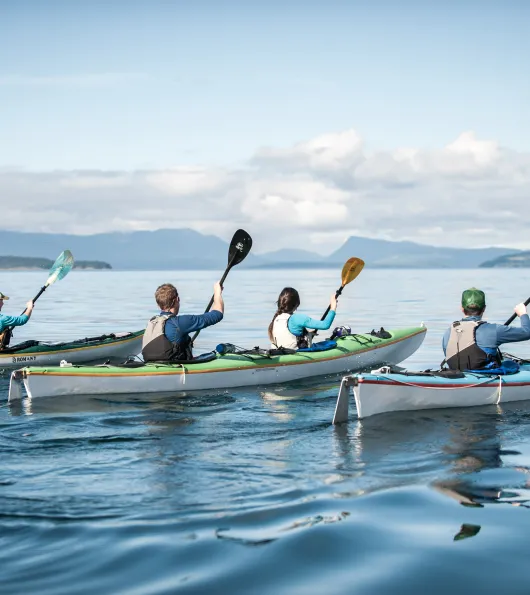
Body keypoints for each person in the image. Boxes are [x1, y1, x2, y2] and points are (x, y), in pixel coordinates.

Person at [442, 287, 530, 370]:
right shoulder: (495, 330)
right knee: (511, 364)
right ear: (484, 308)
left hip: (455, 374)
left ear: (461, 308)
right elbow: (527, 332)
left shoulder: (449, 332)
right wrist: (522, 314)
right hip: (484, 375)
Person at [142, 282, 224, 362]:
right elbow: (217, 314)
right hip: (174, 367)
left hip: (151, 365)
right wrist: (217, 293)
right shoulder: (180, 323)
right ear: (177, 299)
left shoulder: (152, 323)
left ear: (158, 304)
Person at [268, 287, 338, 349]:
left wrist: (307, 334)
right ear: (297, 304)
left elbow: (287, 335)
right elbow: (325, 325)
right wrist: (333, 307)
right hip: (295, 354)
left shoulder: (276, 319)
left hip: (279, 354)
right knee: (331, 343)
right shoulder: (297, 318)